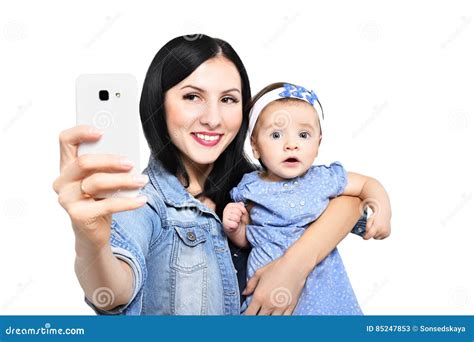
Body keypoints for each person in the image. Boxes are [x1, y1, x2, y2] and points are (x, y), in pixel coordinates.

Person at [52, 35, 388, 315]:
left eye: (228, 99)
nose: (213, 118)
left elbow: (350, 204)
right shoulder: (143, 202)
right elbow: (113, 291)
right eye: (192, 96)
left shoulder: (264, 184)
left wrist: (293, 268)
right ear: (159, 102)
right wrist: (90, 240)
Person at [223, 82, 392, 314]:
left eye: (303, 135)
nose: (291, 144)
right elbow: (249, 239)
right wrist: (235, 228)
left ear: (318, 143)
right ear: (255, 146)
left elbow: (366, 184)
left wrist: (382, 209)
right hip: (267, 294)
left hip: (323, 292)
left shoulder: (322, 179)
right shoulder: (249, 187)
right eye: (275, 134)